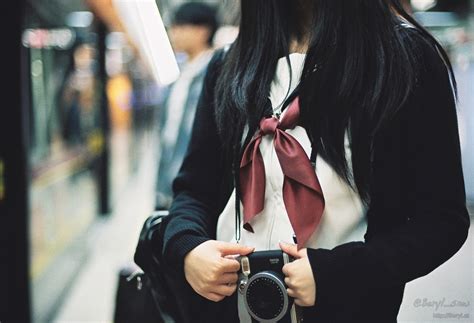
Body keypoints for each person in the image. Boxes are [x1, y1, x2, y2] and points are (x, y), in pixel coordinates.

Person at [158, 0, 470, 322]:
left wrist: (337, 273)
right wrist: (188, 247)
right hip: (228, 308)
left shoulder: (403, 59)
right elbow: (195, 189)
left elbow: (441, 220)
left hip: (346, 311)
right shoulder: (230, 64)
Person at [155, 2, 219, 210]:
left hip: (198, 187)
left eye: (181, 27)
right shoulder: (179, 78)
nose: (174, 34)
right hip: (171, 183)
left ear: (203, 30)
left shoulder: (218, 74)